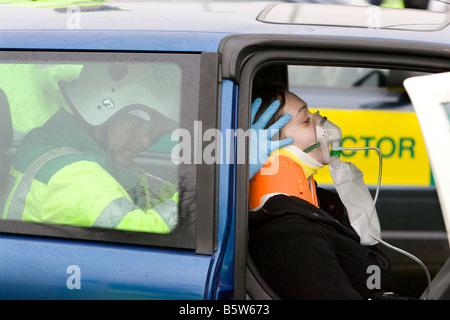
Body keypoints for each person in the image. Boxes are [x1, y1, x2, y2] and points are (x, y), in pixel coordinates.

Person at [247, 82, 402, 300]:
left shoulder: (322, 203)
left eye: (314, 114)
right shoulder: (290, 233)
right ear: (271, 146)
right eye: (306, 120)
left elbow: (372, 275)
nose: (321, 121)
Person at [1, 63, 178, 233]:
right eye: (136, 125)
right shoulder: (72, 177)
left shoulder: (56, 142)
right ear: (99, 111)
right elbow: (144, 236)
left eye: (152, 131)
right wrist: (198, 196)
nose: (145, 142)